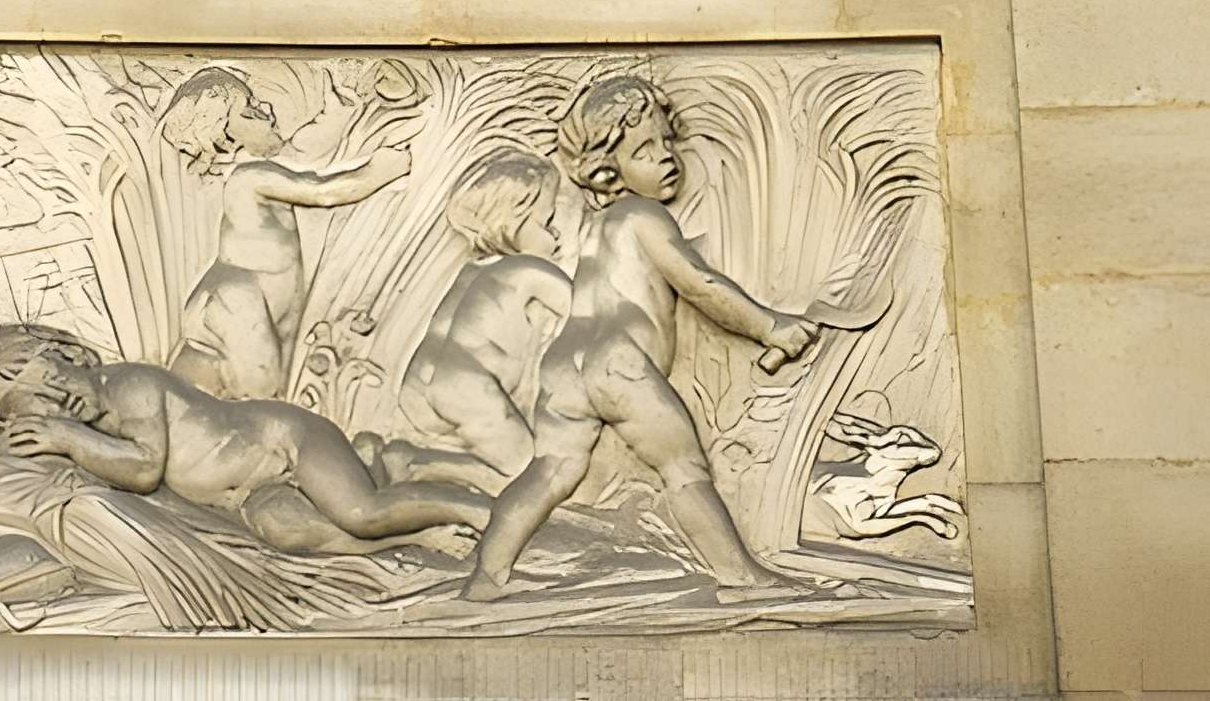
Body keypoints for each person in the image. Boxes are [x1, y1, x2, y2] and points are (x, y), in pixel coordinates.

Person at [464, 74, 818, 602]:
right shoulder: (644, 214)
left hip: (564, 365)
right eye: (645, 150)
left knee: (550, 470)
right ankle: (741, 579)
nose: (666, 157)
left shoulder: (593, 230)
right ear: (609, 170)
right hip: (618, 363)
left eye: (667, 143)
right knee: (683, 467)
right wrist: (770, 325)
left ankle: (486, 579)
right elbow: (698, 284)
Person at [0, 323, 488, 560]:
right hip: (248, 499)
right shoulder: (71, 429)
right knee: (289, 534)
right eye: (38, 411)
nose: (58, 408)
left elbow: (144, 469)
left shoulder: (131, 384)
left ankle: (481, 509)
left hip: (283, 442)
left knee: (362, 513)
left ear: (72, 357)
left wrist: (66, 436)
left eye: (56, 386)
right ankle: (421, 539)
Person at [158, 63, 409, 399]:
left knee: (240, 402)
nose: (266, 110)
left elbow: (310, 145)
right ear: (225, 136)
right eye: (249, 111)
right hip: (237, 301)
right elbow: (322, 192)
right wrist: (383, 170)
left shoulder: (264, 169)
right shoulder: (247, 179)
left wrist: (347, 100)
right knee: (259, 399)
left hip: (245, 303)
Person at [391, 152, 571, 486]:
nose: (557, 234)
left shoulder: (470, 271)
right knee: (529, 477)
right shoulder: (527, 269)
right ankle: (422, 467)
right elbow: (587, 311)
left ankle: (414, 460)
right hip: (469, 387)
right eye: (546, 223)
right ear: (511, 222)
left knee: (504, 465)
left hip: (419, 385)